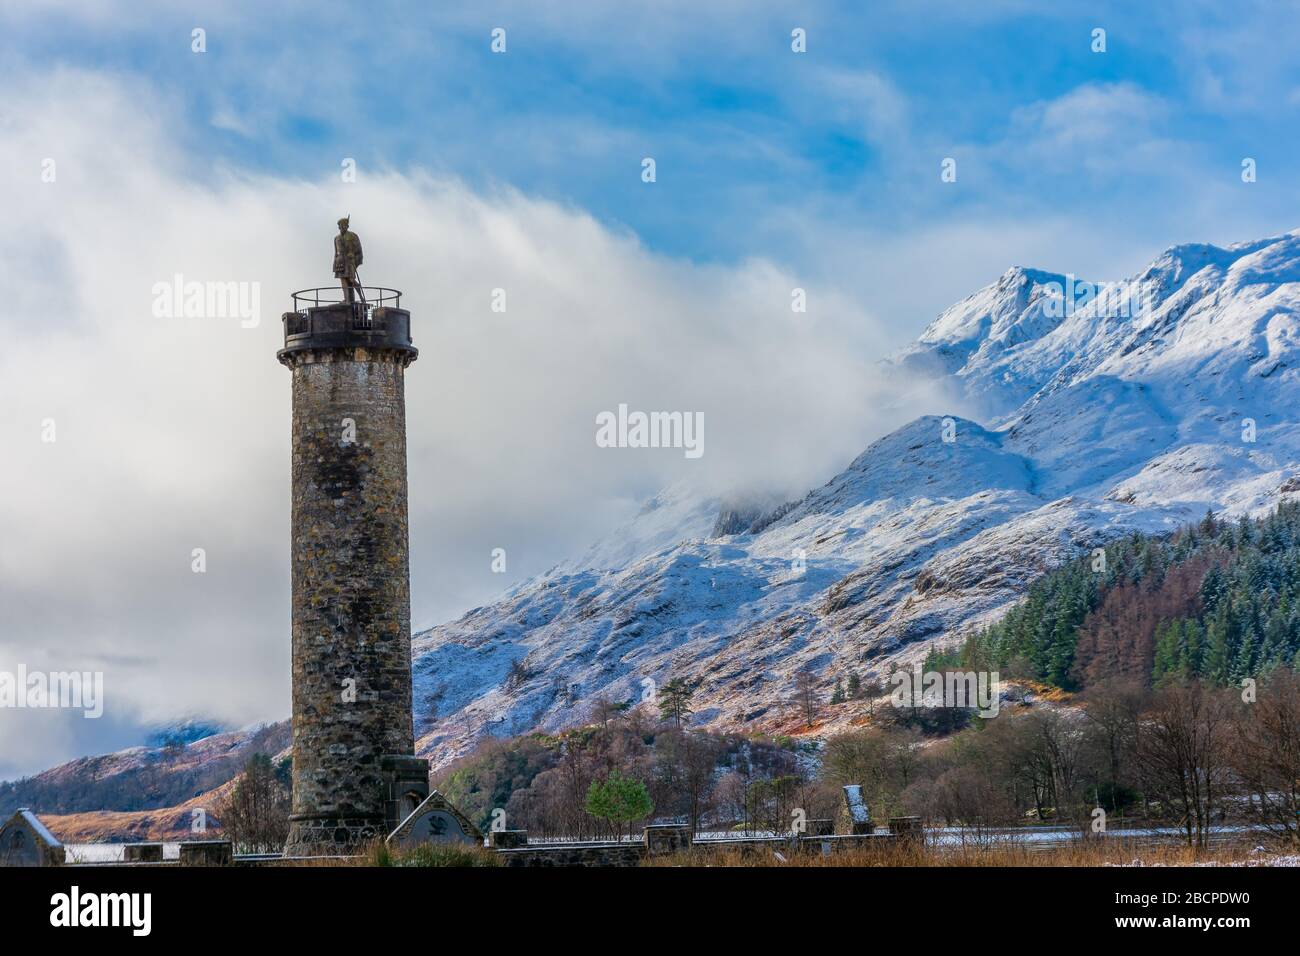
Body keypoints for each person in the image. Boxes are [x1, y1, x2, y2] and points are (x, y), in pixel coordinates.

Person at [333, 216, 364, 304]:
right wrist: (334, 261)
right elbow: (336, 252)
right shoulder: (336, 238)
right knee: (342, 280)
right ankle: (347, 300)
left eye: (344, 225)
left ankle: (361, 297)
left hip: (350, 261)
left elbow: (359, 250)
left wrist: (354, 257)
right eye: (341, 225)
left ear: (347, 226)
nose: (342, 227)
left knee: (351, 279)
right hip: (340, 261)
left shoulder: (353, 236)